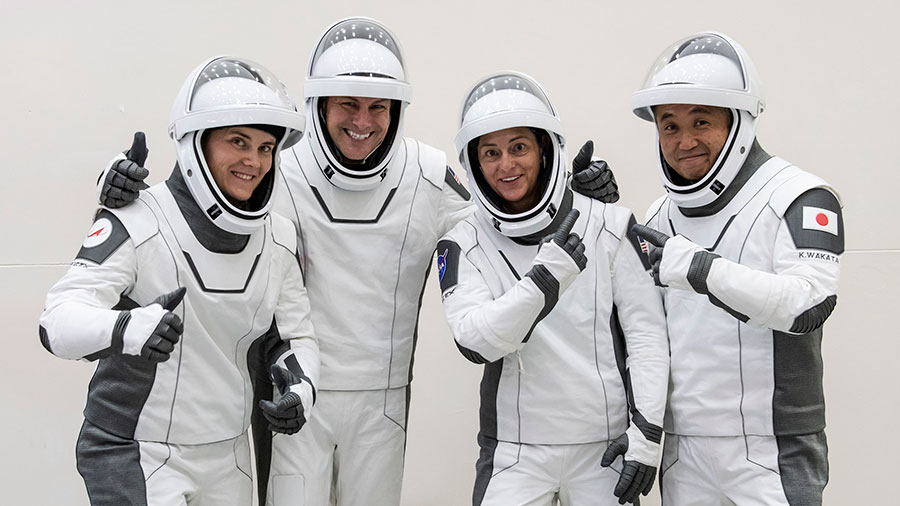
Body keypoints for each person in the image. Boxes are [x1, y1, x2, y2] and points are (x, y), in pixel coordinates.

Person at [96, 17, 619, 506]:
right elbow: (197, 194)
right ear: (319, 105)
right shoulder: (278, 165)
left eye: (378, 106)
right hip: (293, 392)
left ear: (396, 110)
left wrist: (577, 191)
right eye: (347, 104)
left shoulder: (430, 174)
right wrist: (117, 186)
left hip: (384, 403)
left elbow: (508, 210)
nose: (362, 121)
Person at [40, 56, 319, 506]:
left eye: (266, 148)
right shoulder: (136, 220)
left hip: (229, 451)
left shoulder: (279, 236)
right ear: (196, 143)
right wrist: (126, 329)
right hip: (139, 449)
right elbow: (55, 323)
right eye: (238, 141)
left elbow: (294, 335)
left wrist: (302, 388)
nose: (254, 161)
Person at [437, 71, 669, 506]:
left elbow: (647, 339)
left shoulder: (609, 223)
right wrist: (544, 281)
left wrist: (648, 432)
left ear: (545, 149)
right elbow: (475, 341)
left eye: (519, 147)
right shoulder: (462, 241)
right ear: (474, 164)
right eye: (491, 153)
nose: (506, 165)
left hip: (604, 448)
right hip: (514, 449)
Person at [629, 32, 842, 506]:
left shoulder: (799, 196)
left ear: (740, 122)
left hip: (773, 448)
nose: (684, 142)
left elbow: (809, 303)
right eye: (669, 126)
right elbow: (640, 332)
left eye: (701, 121)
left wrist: (699, 267)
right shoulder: (659, 213)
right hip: (685, 448)